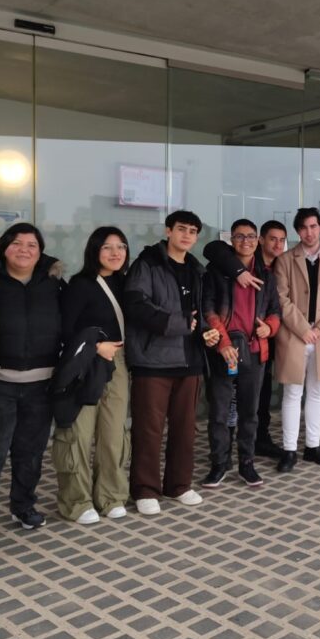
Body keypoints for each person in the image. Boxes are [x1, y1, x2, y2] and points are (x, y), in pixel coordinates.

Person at [125, 211, 219, 516]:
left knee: (185, 429)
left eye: (192, 231)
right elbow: (135, 306)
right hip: (153, 361)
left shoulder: (196, 269)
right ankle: (145, 489)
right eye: (181, 229)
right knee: (149, 429)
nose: (187, 235)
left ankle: (178, 485)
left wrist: (206, 333)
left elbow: (197, 315)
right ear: (168, 231)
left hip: (189, 359)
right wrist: (177, 323)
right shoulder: (147, 264)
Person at [0, 223, 65, 530]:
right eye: (17, 243)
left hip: (41, 384)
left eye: (32, 245)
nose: (24, 250)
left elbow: (72, 320)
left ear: (40, 251)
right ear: (4, 247)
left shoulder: (53, 283)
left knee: (30, 452)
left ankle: (23, 506)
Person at [54, 227, 131, 524]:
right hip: (87, 364)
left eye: (121, 246)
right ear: (94, 250)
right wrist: (96, 347)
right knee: (79, 433)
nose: (115, 253)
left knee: (113, 433)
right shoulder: (81, 284)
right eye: (107, 247)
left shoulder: (127, 283)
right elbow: (65, 329)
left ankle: (111, 496)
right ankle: (76, 501)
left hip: (119, 362)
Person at [201, 219, 282, 488]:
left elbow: (275, 310)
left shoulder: (267, 275)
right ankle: (219, 463)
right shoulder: (216, 272)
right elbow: (209, 310)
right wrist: (223, 344)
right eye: (239, 236)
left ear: (258, 240)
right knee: (219, 412)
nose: (245, 241)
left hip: (255, 349)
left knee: (250, 412)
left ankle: (247, 463)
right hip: (224, 351)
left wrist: (269, 328)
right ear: (231, 239)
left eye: (250, 236)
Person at [274, 208, 320, 472]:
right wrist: (302, 328)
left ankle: (313, 447)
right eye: (304, 227)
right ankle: (289, 450)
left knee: (317, 393)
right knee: (292, 393)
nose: (310, 232)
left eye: (314, 226)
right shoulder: (285, 260)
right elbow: (281, 298)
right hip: (295, 336)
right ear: (298, 231)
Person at [255, 220, 289, 459]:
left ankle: (261, 438)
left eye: (282, 240)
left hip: (271, 335)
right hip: (246, 339)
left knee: (264, 389)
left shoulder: (282, 264)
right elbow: (214, 250)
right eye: (272, 239)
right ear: (261, 240)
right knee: (238, 395)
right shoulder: (246, 262)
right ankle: (226, 447)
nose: (278, 244)